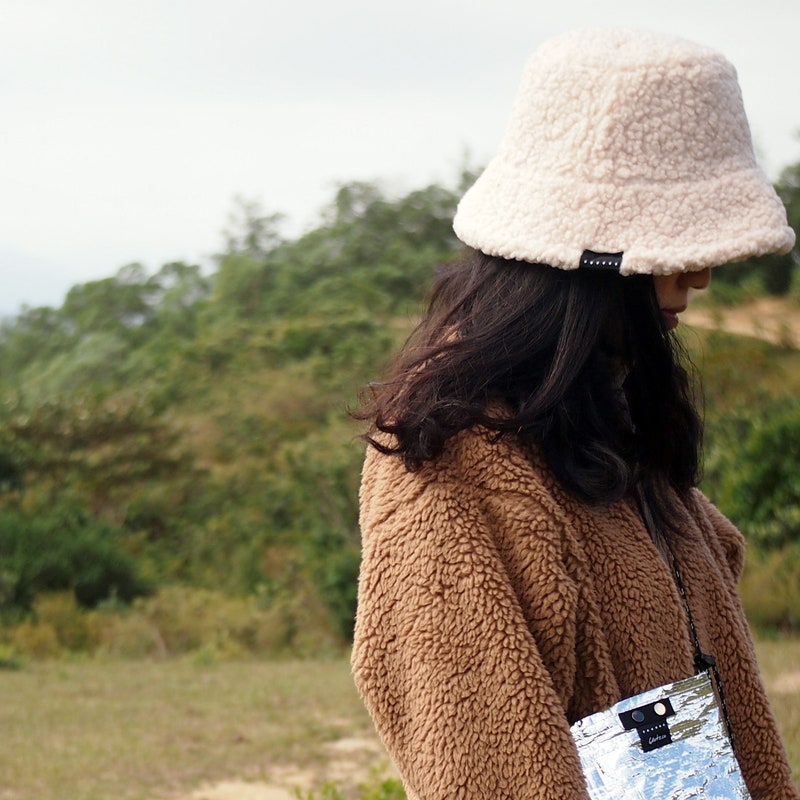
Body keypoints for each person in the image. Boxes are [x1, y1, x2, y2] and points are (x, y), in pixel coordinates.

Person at [351, 28, 798, 800]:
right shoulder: (454, 468)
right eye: (673, 250)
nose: (700, 276)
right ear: (583, 263)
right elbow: (487, 769)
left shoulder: (607, 427)